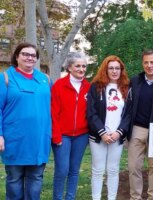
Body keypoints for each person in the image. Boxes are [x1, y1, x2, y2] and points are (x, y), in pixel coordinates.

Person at [116, 49, 153, 200]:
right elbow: (128, 106)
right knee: (133, 167)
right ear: (142, 63)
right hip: (137, 129)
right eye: (146, 62)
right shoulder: (135, 82)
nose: (149, 65)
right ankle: (135, 197)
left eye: (152, 62)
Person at [0, 42, 51, 199]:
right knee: (14, 179)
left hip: (39, 139)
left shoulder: (45, 79)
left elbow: (56, 107)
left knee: (35, 178)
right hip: (14, 139)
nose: (30, 58)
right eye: (25, 54)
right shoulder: (5, 78)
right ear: (17, 56)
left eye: (33, 55)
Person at [87, 55, 129, 200]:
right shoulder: (96, 87)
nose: (114, 71)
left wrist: (119, 132)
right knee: (98, 170)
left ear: (121, 70)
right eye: (111, 68)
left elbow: (128, 114)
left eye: (117, 68)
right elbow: (91, 113)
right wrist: (102, 133)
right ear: (105, 69)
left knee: (113, 170)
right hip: (98, 136)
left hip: (117, 136)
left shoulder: (126, 89)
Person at [51, 52, 91, 200]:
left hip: (81, 135)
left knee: (74, 170)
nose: (81, 69)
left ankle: (70, 197)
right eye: (78, 66)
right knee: (62, 170)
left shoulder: (88, 87)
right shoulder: (59, 86)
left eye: (84, 66)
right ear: (69, 67)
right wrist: (56, 136)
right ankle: (58, 197)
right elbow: (53, 113)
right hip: (63, 135)